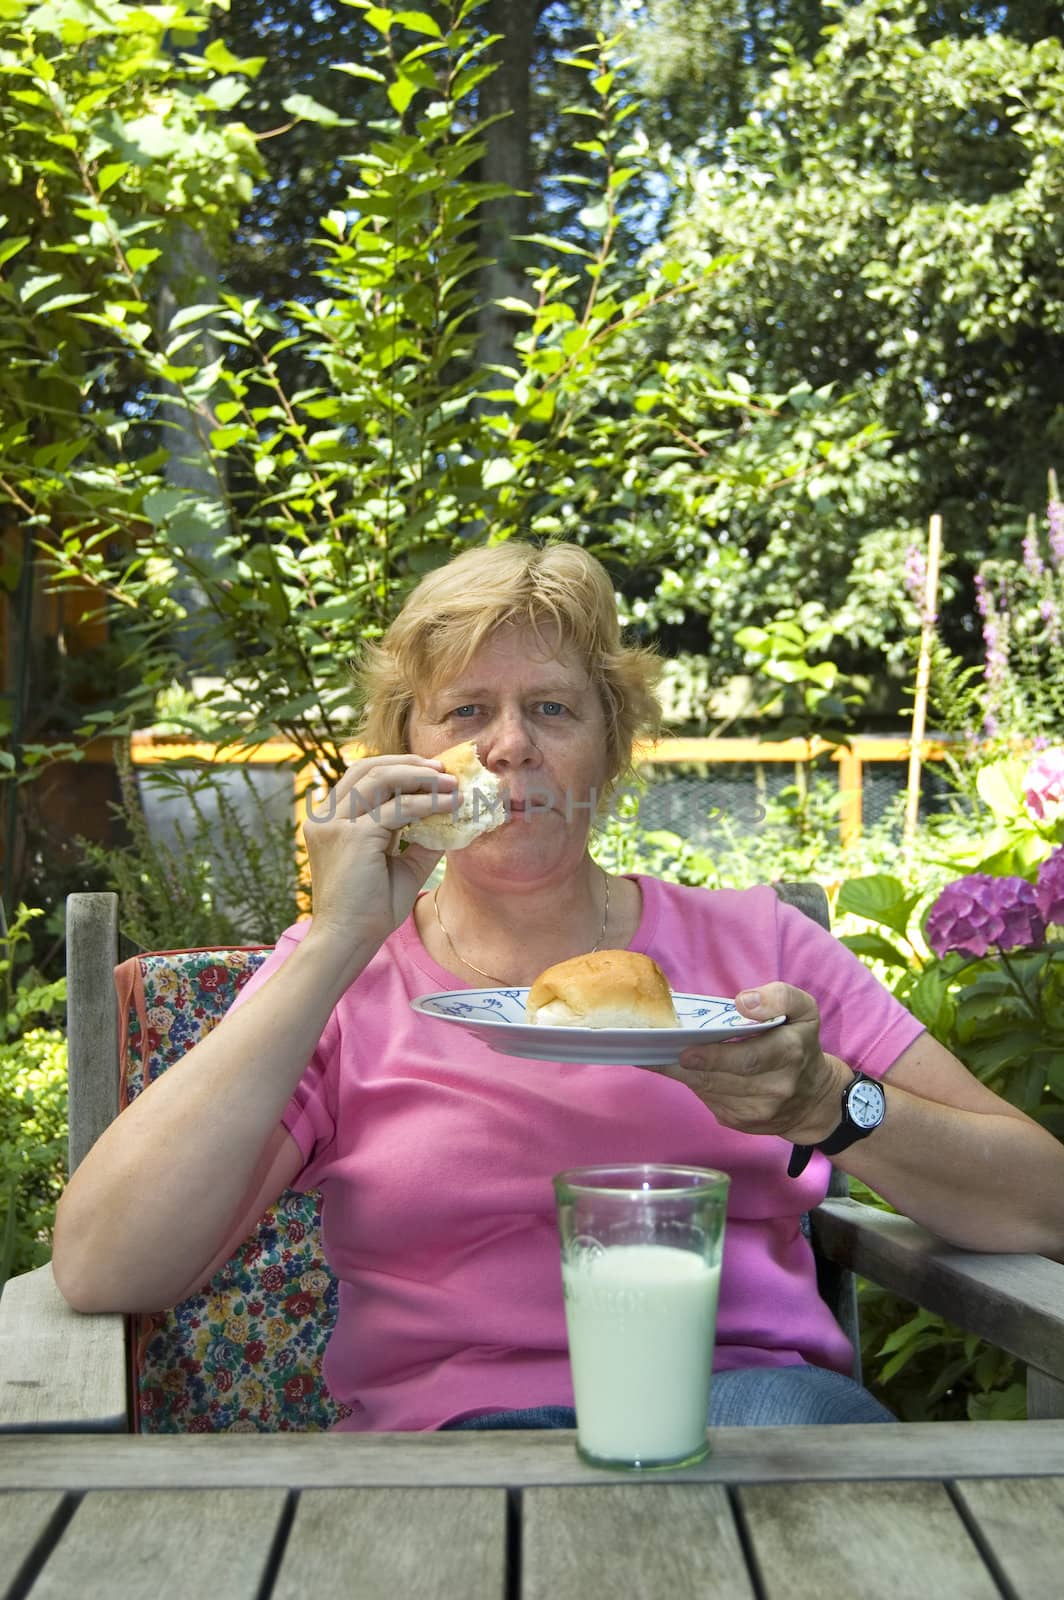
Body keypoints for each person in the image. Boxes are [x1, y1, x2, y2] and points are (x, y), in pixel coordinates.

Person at [53, 541, 1064, 1433]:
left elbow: (1044, 1201)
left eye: (549, 707)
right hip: (457, 1443)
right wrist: (335, 938)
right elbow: (106, 1263)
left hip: (754, 1416)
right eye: (464, 711)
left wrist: (825, 1102)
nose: (508, 746)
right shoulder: (339, 977)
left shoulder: (759, 949)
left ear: (610, 744)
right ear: (408, 752)